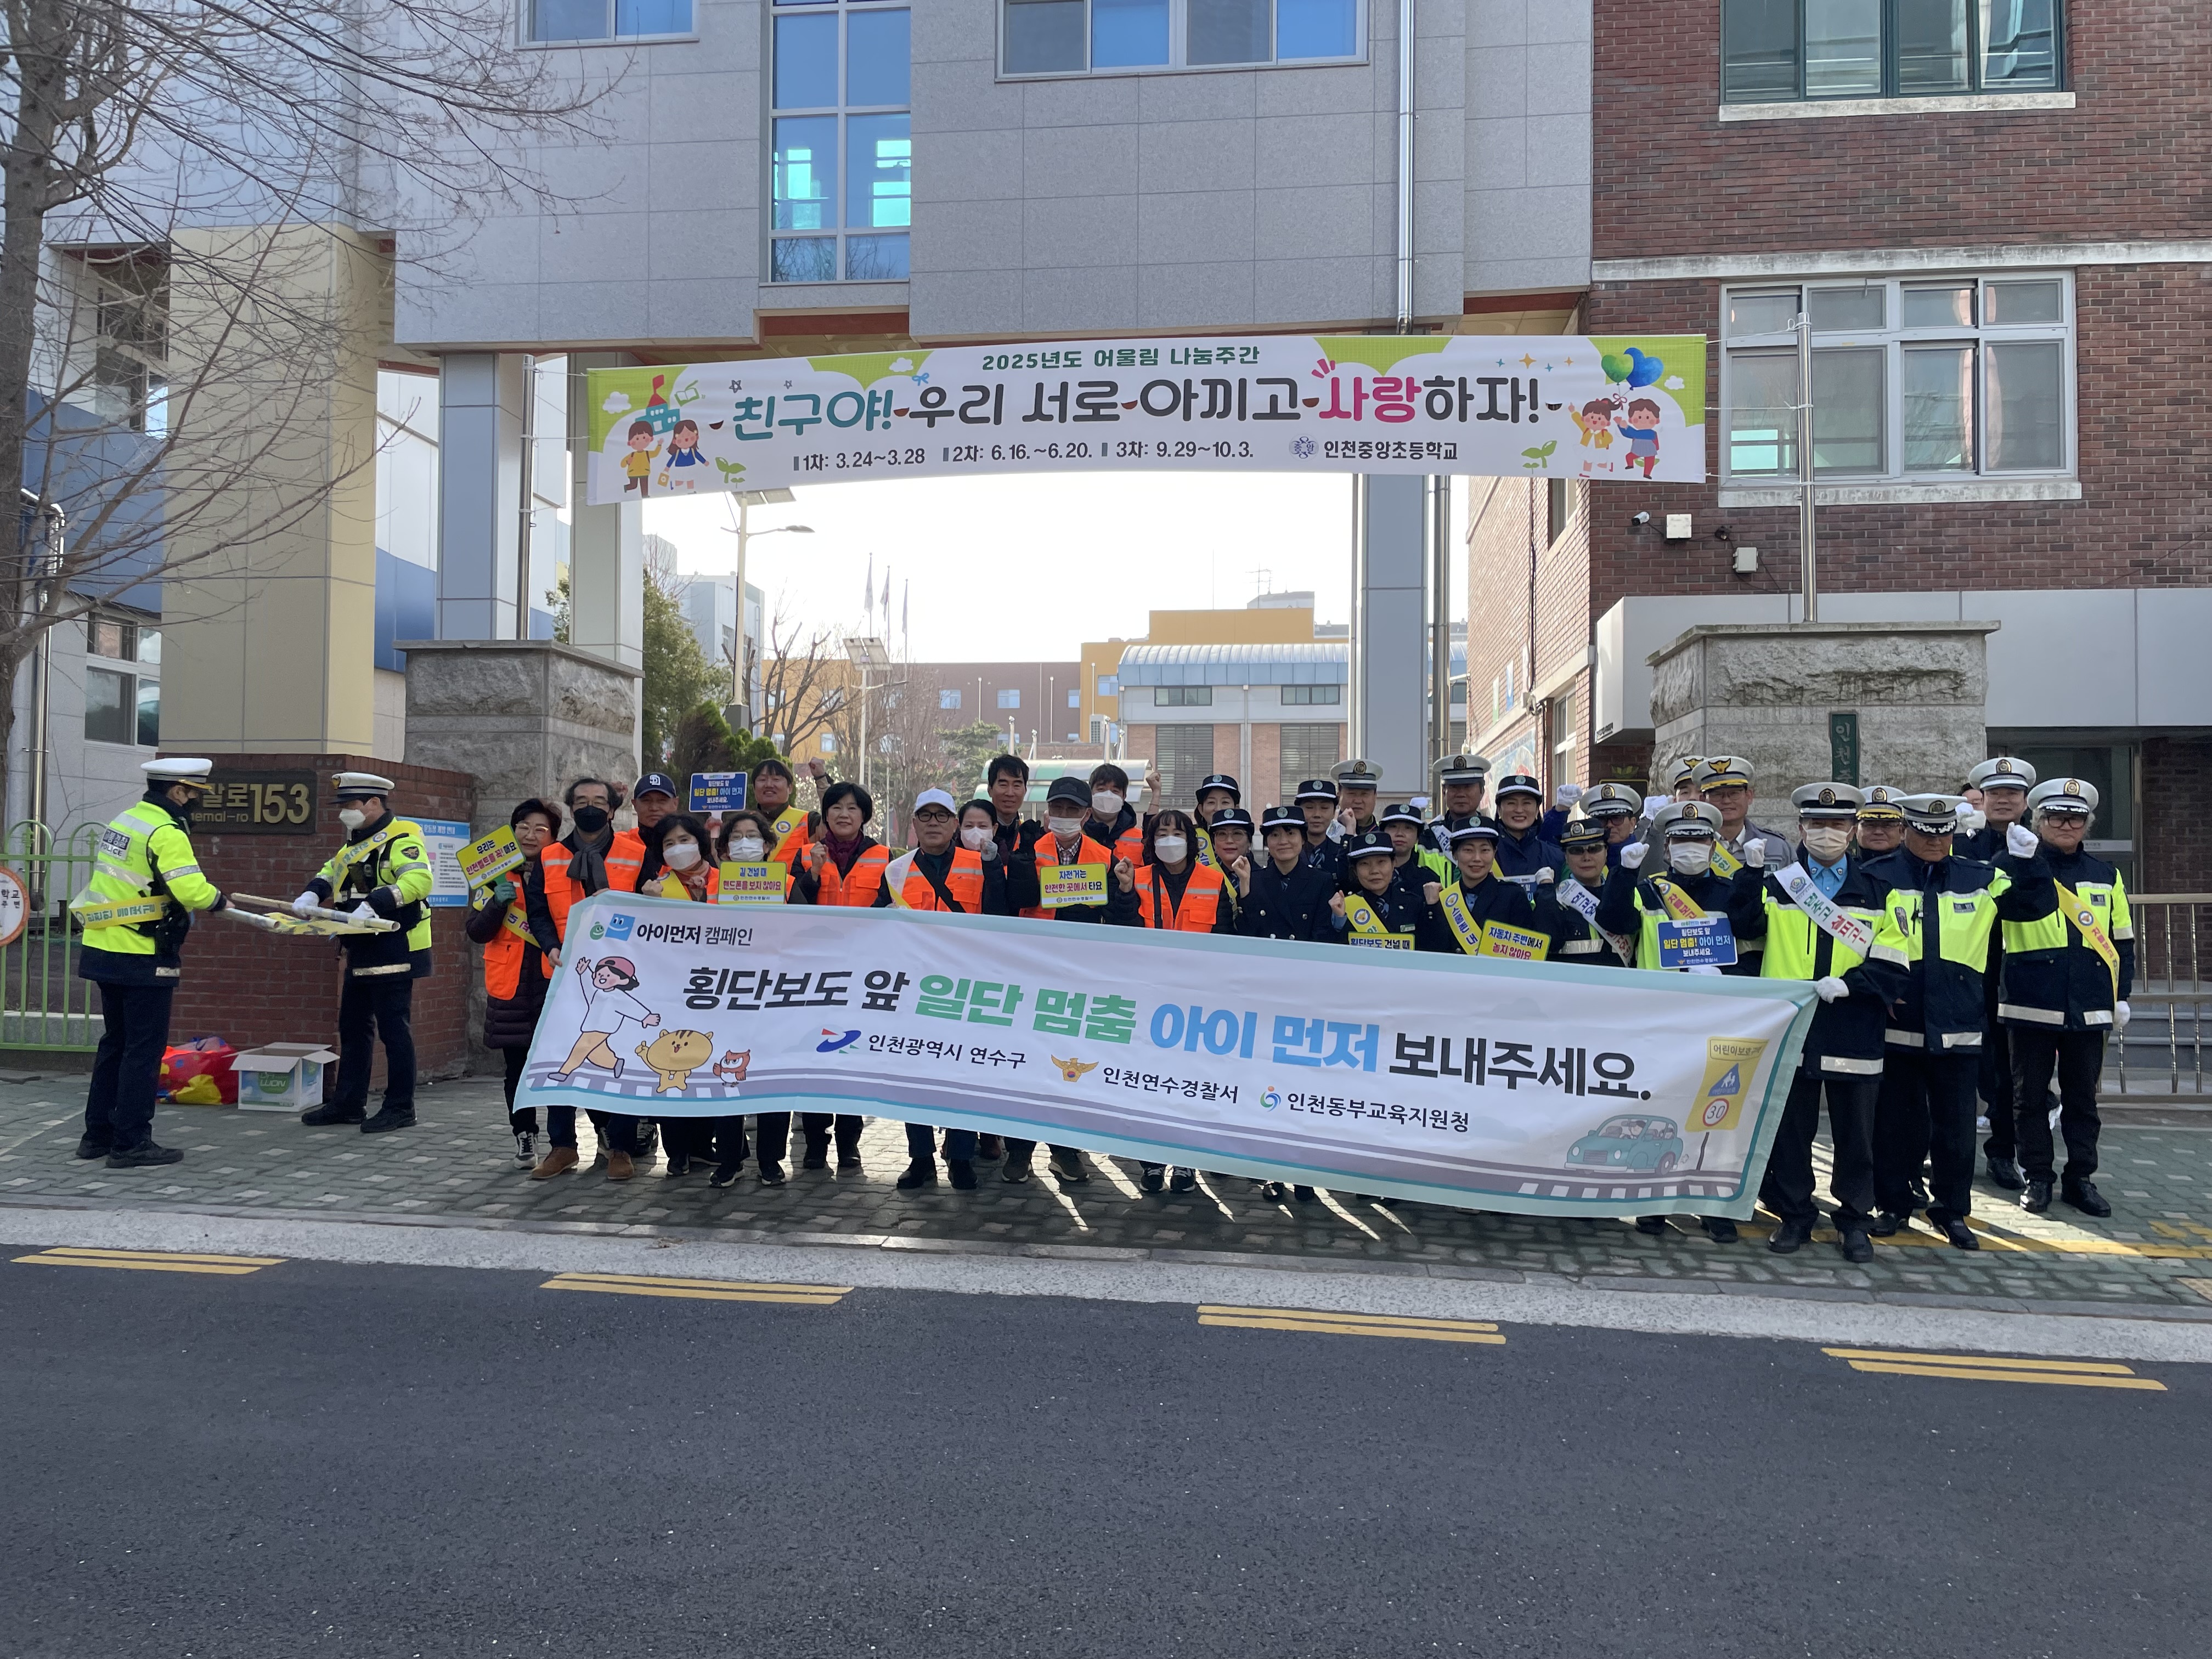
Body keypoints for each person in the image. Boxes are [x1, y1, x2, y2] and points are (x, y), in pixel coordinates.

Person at [1861, 794, 2051, 1250]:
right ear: (1906, 830)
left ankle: (1952, 1210)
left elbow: (2033, 907)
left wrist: (2030, 863)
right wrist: (1882, 991)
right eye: (1925, 831)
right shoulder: (1877, 876)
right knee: (1895, 1124)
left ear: (1952, 832)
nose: (1934, 840)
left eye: (1942, 832)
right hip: (1899, 1019)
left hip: (1959, 1022)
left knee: (1957, 1129)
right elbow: (1861, 942)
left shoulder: (1980, 877)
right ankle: (1893, 1205)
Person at [1724, 784, 1892, 1262]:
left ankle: (1855, 1220)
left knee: (1855, 1135)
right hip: (1792, 1028)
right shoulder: (1779, 886)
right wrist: (1749, 875)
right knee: (1791, 1131)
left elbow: (1896, 959)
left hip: (1853, 1024)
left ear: (1853, 829)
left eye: (1837, 824)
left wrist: (1853, 984)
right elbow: (1743, 928)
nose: (1827, 833)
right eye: (1816, 824)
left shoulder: (1879, 890)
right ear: (1800, 828)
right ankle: (1796, 1215)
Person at [1597, 800, 1760, 1243]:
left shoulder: (1730, 891)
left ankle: (1714, 1205)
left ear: (1713, 845)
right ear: (1666, 849)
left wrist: (1752, 877)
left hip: (1721, 1023)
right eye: (1682, 840)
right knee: (1659, 1114)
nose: (1692, 847)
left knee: (1717, 1117)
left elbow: (1754, 942)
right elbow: (1615, 921)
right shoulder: (1649, 890)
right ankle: (1652, 1202)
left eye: (1700, 839)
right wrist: (1623, 875)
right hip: (1664, 1023)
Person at [75, 757, 228, 1169]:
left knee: (116, 1045)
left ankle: (97, 1137)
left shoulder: (125, 821)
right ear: (178, 792)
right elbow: (191, 890)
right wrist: (218, 900)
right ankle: (131, 1143)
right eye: (195, 795)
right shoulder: (166, 831)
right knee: (143, 1051)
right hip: (143, 955)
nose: (196, 804)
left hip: (105, 948)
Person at [1996, 777, 2129, 1218]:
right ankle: (2038, 1177)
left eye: (2075, 817)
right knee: (2029, 1097)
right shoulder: (2012, 863)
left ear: (2087, 824)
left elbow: (2122, 941)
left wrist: (2122, 997)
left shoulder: (2106, 875)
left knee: (2082, 1100)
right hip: (2030, 998)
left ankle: (2080, 1179)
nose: (2066, 824)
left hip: (2089, 1002)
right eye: (2055, 816)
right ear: (2038, 821)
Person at [1009, 776, 1138, 1188]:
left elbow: (1116, 914)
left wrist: (1120, 889)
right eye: (1057, 809)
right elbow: (1016, 900)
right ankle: (1020, 1151)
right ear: (1048, 811)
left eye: (1072, 810)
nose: (1064, 817)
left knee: (1070, 1064)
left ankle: (1065, 1151)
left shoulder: (1105, 854)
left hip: (1080, 974)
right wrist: (1022, 863)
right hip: (1033, 968)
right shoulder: (1031, 848)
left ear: (1086, 814)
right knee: (1029, 1062)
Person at [883, 788, 1014, 1192]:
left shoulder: (983, 864)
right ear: (915, 824)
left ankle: (961, 1158)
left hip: (969, 989)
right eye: (926, 816)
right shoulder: (896, 871)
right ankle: (920, 1158)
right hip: (914, 991)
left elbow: (1001, 915)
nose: (934, 823)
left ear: (956, 825)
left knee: (964, 1075)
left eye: (943, 816)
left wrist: (994, 866)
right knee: (914, 1076)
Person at [291, 772, 435, 1135]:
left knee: (393, 1031)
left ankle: (401, 1107)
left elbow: (418, 881)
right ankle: (349, 1102)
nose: (344, 813)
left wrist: (375, 903)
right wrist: (312, 893)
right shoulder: (356, 843)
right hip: (361, 946)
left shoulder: (403, 838)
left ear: (374, 803)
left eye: (350, 806)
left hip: (395, 942)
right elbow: (333, 871)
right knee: (353, 1028)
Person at [1120, 808, 1233, 1193]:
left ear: (1191, 839)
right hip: (1147, 995)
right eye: (1161, 833)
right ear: (1150, 842)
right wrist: (1121, 893)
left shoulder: (1214, 881)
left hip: (1197, 1000)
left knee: (1190, 1083)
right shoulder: (1135, 878)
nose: (1169, 839)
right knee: (1150, 1084)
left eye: (1177, 832)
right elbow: (1122, 931)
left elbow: (1225, 939)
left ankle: (1186, 1162)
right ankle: (1151, 1162)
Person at [539, 777, 647, 1171]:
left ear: (612, 810)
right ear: (570, 809)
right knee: (558, 1058)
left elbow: (655, 905)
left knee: (625, 1059)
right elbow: (537, 908)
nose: (590, 807)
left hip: (618, 975)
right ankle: (563, 1146)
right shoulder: (550, 855)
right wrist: (549, 944)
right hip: (563, 975)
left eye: (599, 801)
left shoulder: (636, 853)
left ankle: (620, 1147)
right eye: (581, 801)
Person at [787, 780, 886, 1170]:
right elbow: (793, 908)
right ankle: (815, 1144)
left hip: (863, 973)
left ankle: (849, 1143)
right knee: (814, 1058)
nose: (844, 815)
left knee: (851, 1059)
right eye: (836, 808)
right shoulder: (804, 856)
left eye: (852, 808)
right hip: (814, 972)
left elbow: (887, 907)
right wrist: (811, 872)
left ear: (864, 815)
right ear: (825, 814)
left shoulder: (884, 857)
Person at [465, 798, 563, 1168]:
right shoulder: (492, 875)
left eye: (541, 829)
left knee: (561, 1066)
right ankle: (524, 1135)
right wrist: (496, 904)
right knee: (517, 1070)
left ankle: (564, 1142)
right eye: (524, 826)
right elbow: (476, 931)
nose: (530, 834)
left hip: (552, 984)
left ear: (553, 836)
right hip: (509, 986)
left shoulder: (561, 872)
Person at [1955, 758, 2038, 1190]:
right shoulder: (1962, 845)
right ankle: (1948, 1154)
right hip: (1970, 969)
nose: (2003, 800)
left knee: (2009, 1072)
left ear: (2026, 802)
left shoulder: (2041, 846)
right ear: (1981, 800)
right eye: (1994, 794)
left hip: (2021, 972)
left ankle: (2003, 1153)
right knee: (1958, 1066)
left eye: (2012, 794)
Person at [635, 811, 722, 1177]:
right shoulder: (656, 887)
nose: (677, 848)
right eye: (668, 844)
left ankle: (705, 1145)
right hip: (673, 994)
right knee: (674, 1067)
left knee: (710, 1069)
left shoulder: (730, 880)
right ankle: (678, 1152)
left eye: (684, 840)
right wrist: (646, 906)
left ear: (700, 842)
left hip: (721, 992)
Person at [1416, 821, 1540, 955]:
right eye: (1468, 850)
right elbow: (1428, 951)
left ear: (1495, 853)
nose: (1477, 858)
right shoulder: (1443, 899)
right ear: (1454, 854)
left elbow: (1525, 952)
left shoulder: (1512, 896)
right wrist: (1432, 907)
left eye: (1485, 850)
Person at [1534, 818, 1635, 967]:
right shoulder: (1551, 898)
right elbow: (1548, 943)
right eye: (1576, 851)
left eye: (1595, 849)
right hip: (1569, 987)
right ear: (1566, 858)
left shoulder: (1629, 894)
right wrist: (1545, 892)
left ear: (1606, 852)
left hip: (1618, 987)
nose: (1586, 857)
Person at [1238, 804, 1342, 946]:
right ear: (1267, 842)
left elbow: (1322, 937)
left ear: (1303, 839)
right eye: (1275, 835)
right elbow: (1246, 934)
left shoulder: (1321, 881)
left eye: (1291, 834)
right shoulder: (1253, 880)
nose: (1283, 841)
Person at [1692, 755, 1791, 870]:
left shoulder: (1776, 847)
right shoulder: (1692, 846)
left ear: (1749, 796)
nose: (1726, 801)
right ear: (1703, 800)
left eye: (1734, 793)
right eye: (1717, 794)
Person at [1340, 830, 1425, 949]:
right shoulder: (1344, 908)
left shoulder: (1414, 904)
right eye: (1365, 864)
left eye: (1381, 862)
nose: (1374, 871)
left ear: (1393, 864)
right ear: (1355, 871)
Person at [1489, 772, 1563, 887]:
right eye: (1511, 803)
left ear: (1537, 810)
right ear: (1499, 810)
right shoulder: (1485, 856)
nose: (1519, 810)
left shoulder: (1556, 857)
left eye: (1527, 803)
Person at [1423, 752, 1491, 857]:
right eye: (1454, 787)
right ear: (1444, 792)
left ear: (1482, 791)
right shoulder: (1428, 836)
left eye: (1468, 787)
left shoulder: (1493, 832)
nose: (1461, 794)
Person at [1203, 805, 1256, 931]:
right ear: (1214, 844)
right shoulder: (1204, 877)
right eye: (1222, 834)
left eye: (1237, 834)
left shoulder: (1264, 878)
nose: (1229, 840)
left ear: (1249, 842)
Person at [1087, 762, 1144, 867]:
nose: (1108, 795)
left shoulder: (1140, 838)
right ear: (1090, 793)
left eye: (1115, 791)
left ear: (1124, 797)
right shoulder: (1076, 834)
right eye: (1101, 790)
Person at [1294, 776, 1346, 882]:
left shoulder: (1341, 854)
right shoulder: (1288, 852)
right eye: (1309, 807)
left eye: (1324, 808)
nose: (1317, 815)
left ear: (1333, 813)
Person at [1192, 772, 1242, 868]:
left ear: (1236, 809)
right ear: (1201, 810)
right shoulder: (1190, 838)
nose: (1218, 809)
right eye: (1211, 802)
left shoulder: (1243, 839)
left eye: (1225, 802)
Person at [1330, 758, 1383, 838]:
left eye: (1365, 794)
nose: (1358, 801)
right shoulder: (1326, 834)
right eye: (1352, 794)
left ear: (1375, 796)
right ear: (1339, 796)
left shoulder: (1384, 837)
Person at [1852, 785, 1906, 860]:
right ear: (1855, 830)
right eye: (1870, 825)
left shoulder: (1917, 870)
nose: (1878, 832)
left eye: (1887, 826)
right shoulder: (1846, 868)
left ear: (1902, 831)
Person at [631, 772, 680, 839]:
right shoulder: (619, 844)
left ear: (675, 803)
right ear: (635, 804)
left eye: (662, 800)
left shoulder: (691, 844)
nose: (654, 808)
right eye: (647, 800)